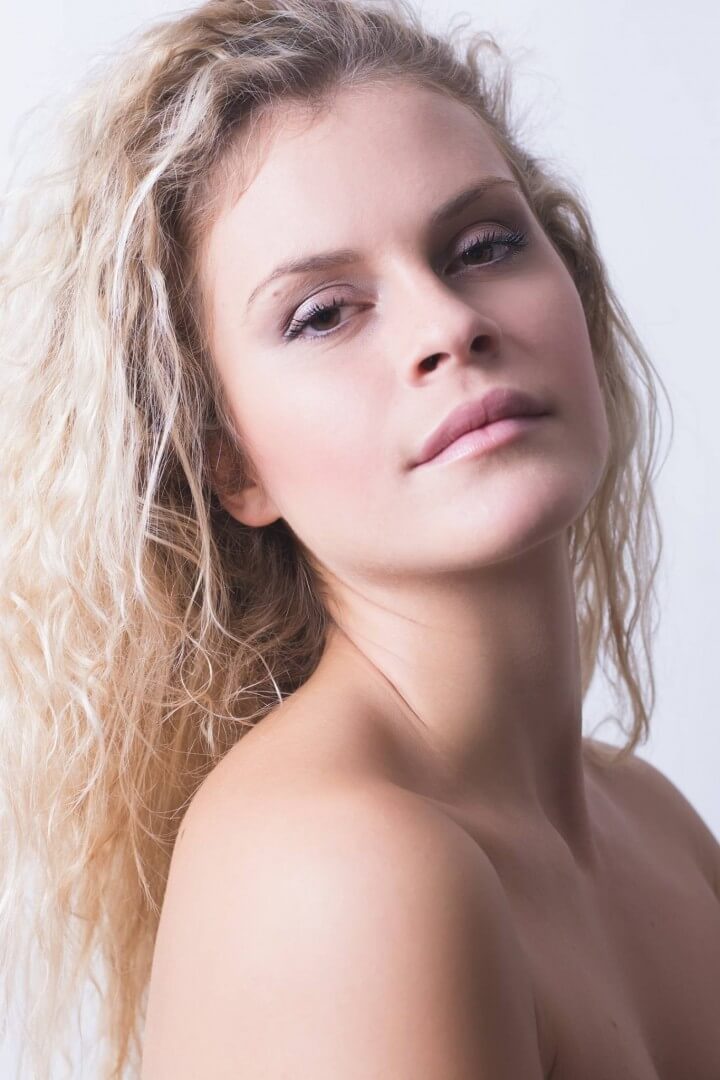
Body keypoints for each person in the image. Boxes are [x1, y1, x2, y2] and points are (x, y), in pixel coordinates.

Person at [1, 0, 718, 1076]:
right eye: (325, 313)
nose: (448, 325)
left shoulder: (653, 825)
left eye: (484, 246)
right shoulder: (342, 871)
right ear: (230, 463)